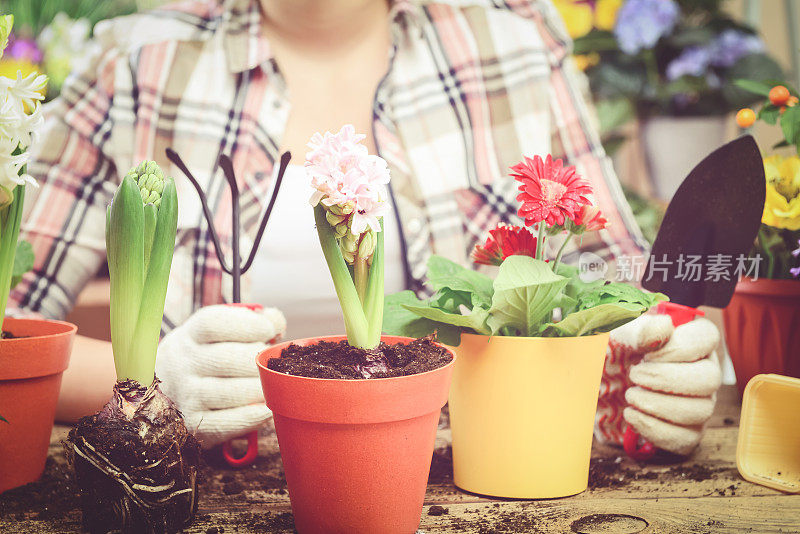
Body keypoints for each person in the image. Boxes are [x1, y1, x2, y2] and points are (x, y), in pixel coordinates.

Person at [13, 0, 650, 448]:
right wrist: (150, 380)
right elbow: (12, 335)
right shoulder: (141, 61)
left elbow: (619, 287)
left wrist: (649, 372)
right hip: (206, 490)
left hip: (470, 473)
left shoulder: (513, 43)